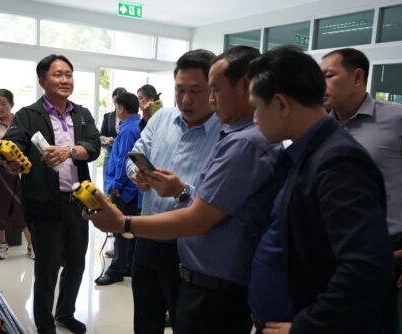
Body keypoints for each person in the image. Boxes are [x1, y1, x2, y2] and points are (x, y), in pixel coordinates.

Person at [86, 46, 281, 334]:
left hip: (195, 259)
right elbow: (137, 153)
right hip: (153, 239)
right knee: (146, 319)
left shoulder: (236, 136)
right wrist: (137, 174)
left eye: (203, 90)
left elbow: (203, 213)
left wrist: (174, 194)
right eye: (179, 90)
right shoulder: (163, 118)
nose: (187, 100)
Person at [246, 46, 394, 334]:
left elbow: (367, 268)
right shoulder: (306, 153)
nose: (254, 119)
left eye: (256, 107)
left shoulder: (337, 161)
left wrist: (308, 325)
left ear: (281, 105)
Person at [0, 54, 101, 334]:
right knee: (47, 269)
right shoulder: (28, 115)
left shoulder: (81, 113)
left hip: (78, 200)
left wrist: (70, 151)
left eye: (68, 74)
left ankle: (65, 313)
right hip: (45, 202)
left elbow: (94, 146)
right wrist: (10, 162)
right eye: (58, 75)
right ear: (42, 80)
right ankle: (45, 324)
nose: (65, 80)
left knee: (77, 263)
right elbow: (9, 146)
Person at [320, 48, 402, 334]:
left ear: (358, 77)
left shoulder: (398, 118)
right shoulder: (319, 126)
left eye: (329, 76)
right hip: (325, 251)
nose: (321, 85)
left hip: (382, 253)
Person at [0, 88, 34, 260]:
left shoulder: (20, 122)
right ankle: (2, 245)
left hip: (14, 169)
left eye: (4, 103)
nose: (0, 107)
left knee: (20, 207)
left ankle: (32, 245)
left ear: (12, 104)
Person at [95, 92, 142, 286]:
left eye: (116, 107)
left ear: (121, 108)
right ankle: (128, 265)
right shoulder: (134, 126)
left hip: (125, 190)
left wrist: (116, 188)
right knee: (130, 229)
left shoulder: (129, 130)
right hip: (131, 189)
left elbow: (125, 160)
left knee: (121, 229)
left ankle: (116, 270)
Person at [100, 87, 127, 192]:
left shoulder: (128, 117)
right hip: (109, 152)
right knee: (107, 182)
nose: (117, 104)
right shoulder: (108, 116)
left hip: (123, 153)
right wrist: (107, 139)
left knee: (120, 183)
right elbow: (100, 136)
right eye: (116, 101)